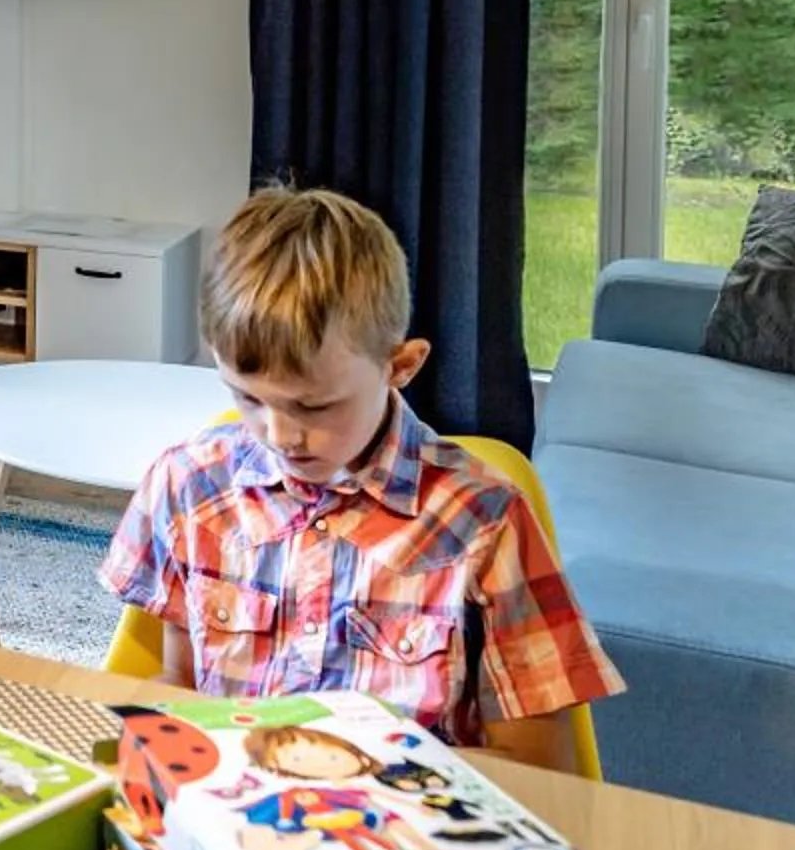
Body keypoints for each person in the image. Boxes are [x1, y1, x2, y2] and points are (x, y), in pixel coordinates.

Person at [98, 187, 621, 773]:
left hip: (408, 822)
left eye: (314, 407)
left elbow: (541, 769)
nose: (280, 435)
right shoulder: (189, 485)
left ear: (401, 366)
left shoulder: (486, 524)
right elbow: (178, 683)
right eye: (248, 399)